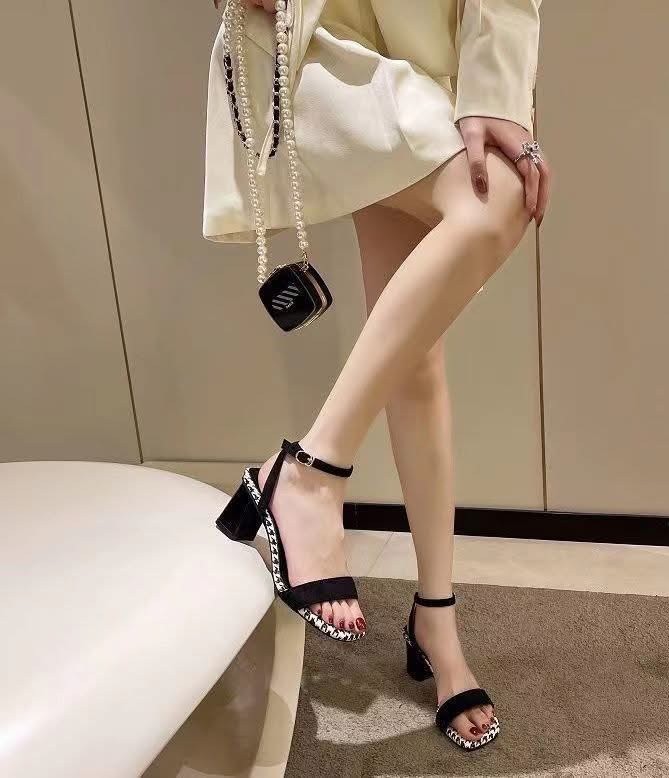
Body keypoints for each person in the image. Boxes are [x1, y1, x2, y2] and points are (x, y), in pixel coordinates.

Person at [206, 0, 550, 751]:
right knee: (492, 201)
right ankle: (308, 476)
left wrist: (497, 92)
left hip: (423, 47)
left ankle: (436, 617)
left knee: (414, 356)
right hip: (312, 34)